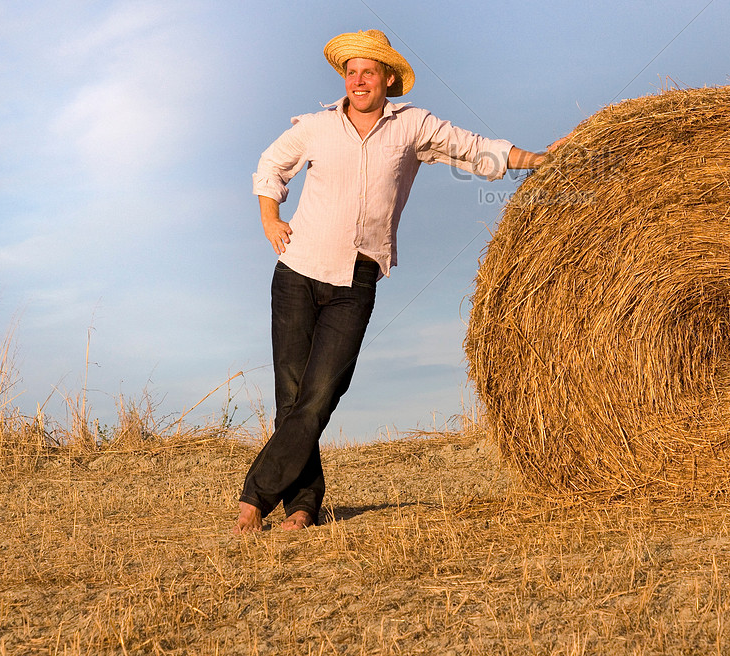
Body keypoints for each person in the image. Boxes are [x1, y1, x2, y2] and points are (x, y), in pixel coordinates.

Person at [233, 29, 557, 534]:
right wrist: (269, 218)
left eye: (369, 72)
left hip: (358, 277)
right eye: (351, 72)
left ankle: (254, 496)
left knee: (322, 392)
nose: (358, 80)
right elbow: (270, 166)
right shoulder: (316, 127)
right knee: (292, 396)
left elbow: (473, 149)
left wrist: (536, 160)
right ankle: (302, 507)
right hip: (297, 272)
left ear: (388, 79)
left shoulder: (412, 127)